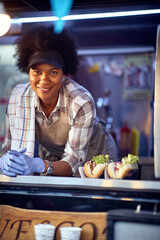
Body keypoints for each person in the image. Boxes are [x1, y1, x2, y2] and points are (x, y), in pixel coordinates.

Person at [0, 24, 117, 177]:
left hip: (95, 154)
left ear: (64, 74)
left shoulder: (81, 101)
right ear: (28, 72)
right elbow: (9, 149)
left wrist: (37, 164)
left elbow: (74, 160)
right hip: (52, 156)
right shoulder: (19, 99)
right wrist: (5, 160)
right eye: (37, 72)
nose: (44, 80)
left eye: (53, 72)